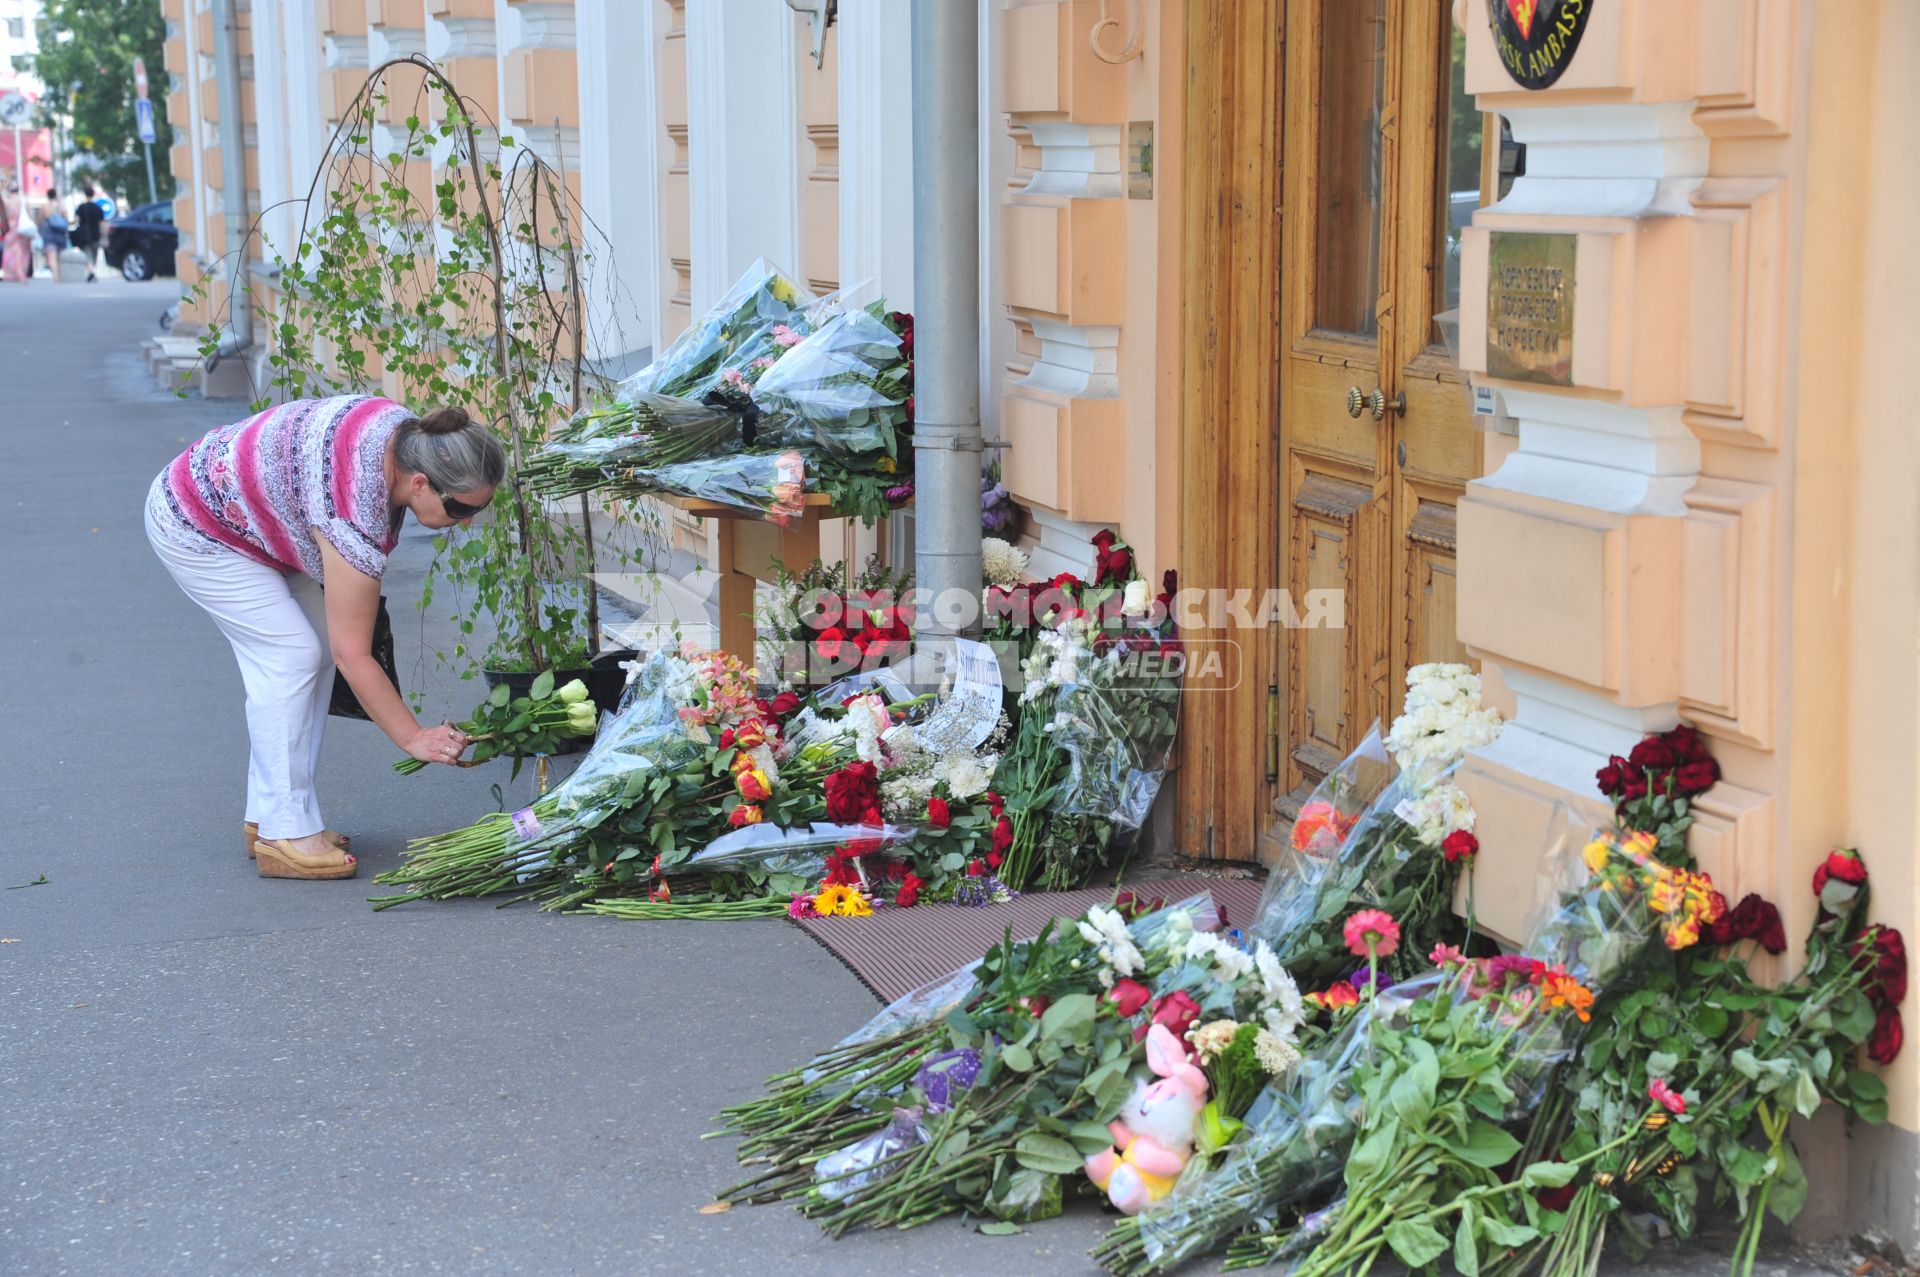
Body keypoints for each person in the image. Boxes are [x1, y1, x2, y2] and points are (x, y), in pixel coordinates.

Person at [145, 397, 506, 880]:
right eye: (461, 507)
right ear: (419, 483)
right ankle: (286, 833)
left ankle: (270, 815)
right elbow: (353, 653)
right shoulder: (355, 509)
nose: (468, 521)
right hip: (196, 523)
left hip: (256, 522)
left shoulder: (410, 440)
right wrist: (414, 737)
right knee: (293, 656)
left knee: (311, 651)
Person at [70, 182, 106, 282]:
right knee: (94, 255)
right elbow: (102, 224)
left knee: (86, 255)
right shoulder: (98, 208)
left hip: (83, 236)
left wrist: (68, 223)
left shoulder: (81, 207)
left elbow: (75, 221)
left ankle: (91, 273)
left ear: (85, 194)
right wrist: (104, 236)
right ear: (93, 194)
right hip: (96, 235)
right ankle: (92, 272)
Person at [36, 188, 70, 281]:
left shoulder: (45, 207)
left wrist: (40, 231)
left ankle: (56, 276)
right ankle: (59, 273)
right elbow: (67, 220)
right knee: (60, 255)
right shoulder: (61, 206)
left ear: (48, 196)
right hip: (60, 234)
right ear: (55, 195)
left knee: (51, 255)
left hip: (49, 234)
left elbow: (40, 221)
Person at [2, 183, 33, 283]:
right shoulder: (23, 201)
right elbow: (30, 216)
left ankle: (13, 274)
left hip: (10, 229)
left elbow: (3, 217)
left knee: (10, 252)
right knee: (22, 252)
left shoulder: (6, 201)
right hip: (22, 229)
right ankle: (21, 273)